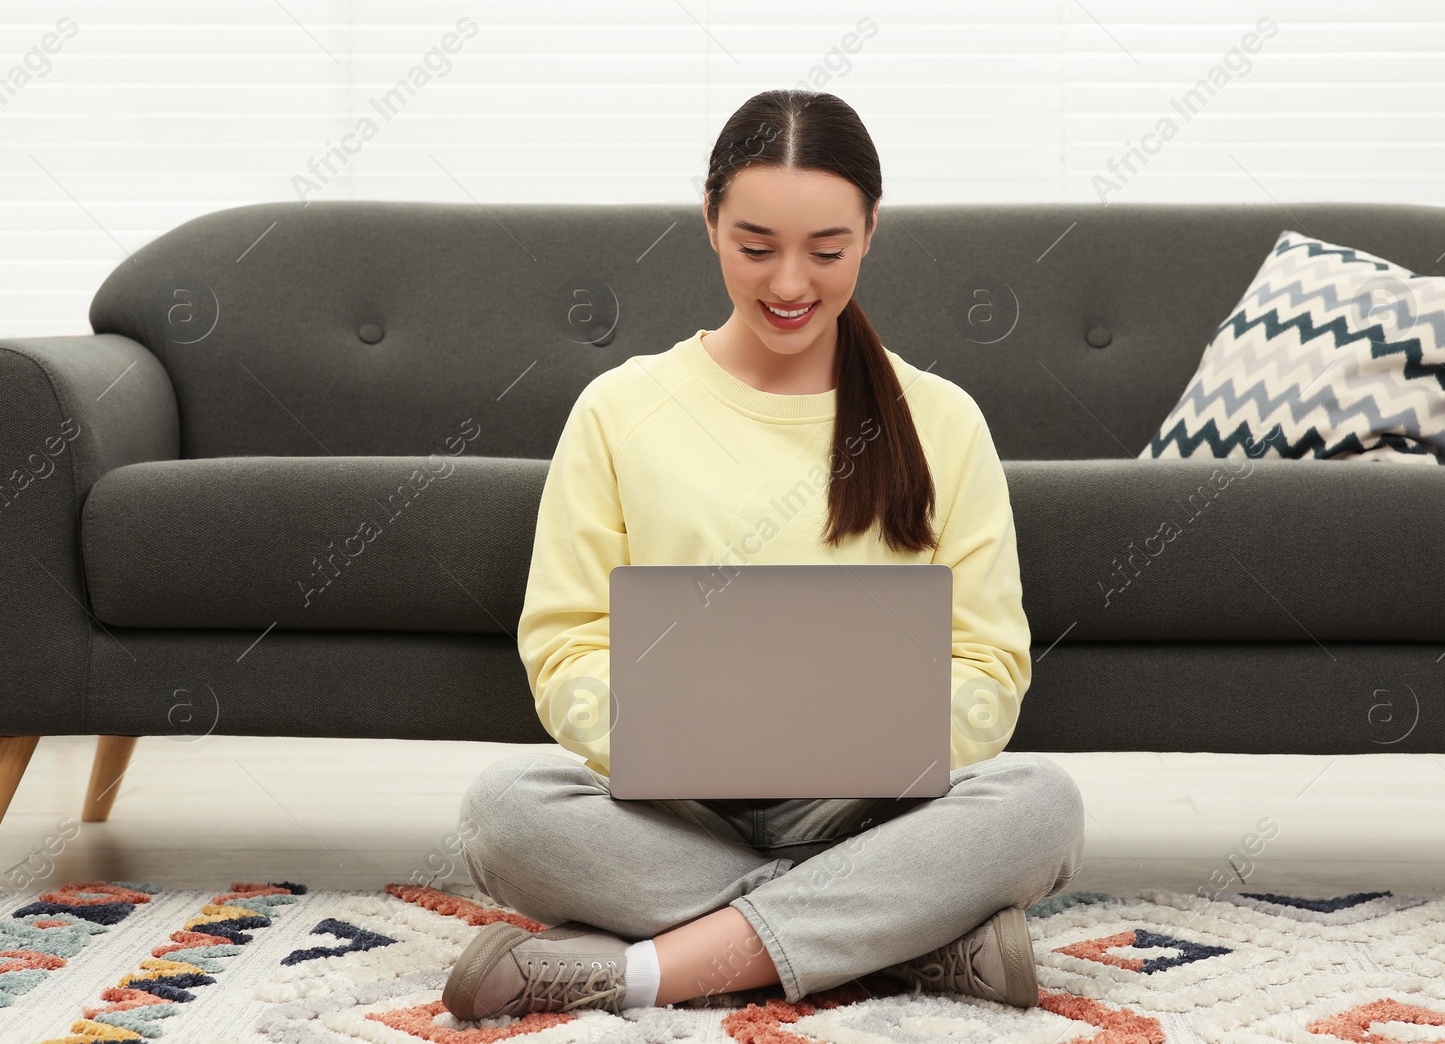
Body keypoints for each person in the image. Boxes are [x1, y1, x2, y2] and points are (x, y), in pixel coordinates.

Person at [442, 88, 1085, 1022]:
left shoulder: (942, 418)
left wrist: (858, 742)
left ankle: (645, 972)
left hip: (873, 803)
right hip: (680, 804)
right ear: (709, 226)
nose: (790, 284)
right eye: (756, 247)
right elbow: (567, 642)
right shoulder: (621, 410)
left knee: (1042, 805)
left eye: (827, 251)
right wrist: (675, 739)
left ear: (870, 232)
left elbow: (989, 665)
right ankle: (908, 935)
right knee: (502, 811)